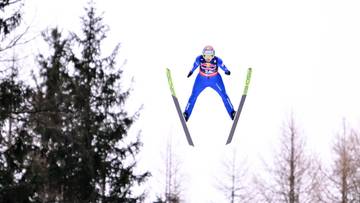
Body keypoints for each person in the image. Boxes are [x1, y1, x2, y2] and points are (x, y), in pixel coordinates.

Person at [183, 45, 235, 121]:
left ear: (213, 55)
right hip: (201, 79)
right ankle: (186, 114)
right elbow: (195, 65)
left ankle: (232, 112)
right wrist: (191, 71)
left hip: (215, 79)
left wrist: (227, 71)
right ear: (203, 54)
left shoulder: (217, 60)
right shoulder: (199, 59)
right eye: (206, 55)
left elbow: (223, 66)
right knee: (193, 95)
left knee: (223, 94)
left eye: (210, 55)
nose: (208, 57)